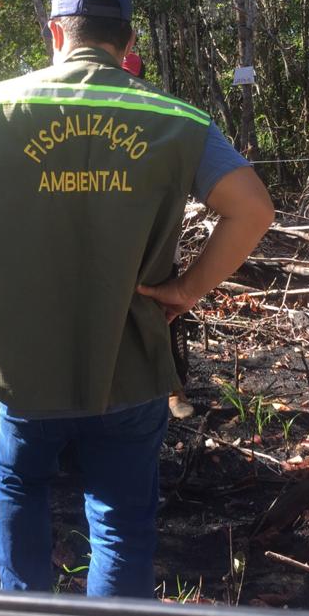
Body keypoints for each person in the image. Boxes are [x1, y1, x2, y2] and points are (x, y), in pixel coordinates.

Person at [0, 0, 274, 597]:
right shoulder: (176, 118)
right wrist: (185, 291)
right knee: (121, 520)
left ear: (55, 33)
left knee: (20, 487)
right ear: (127, 41)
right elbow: (253, 210)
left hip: (26, 361)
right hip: (131, 362)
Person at [120, 51, 195, 421]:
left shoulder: (160, 122)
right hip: (109, 248)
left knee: (164, 316)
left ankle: (173, 390)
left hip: (155, 248)